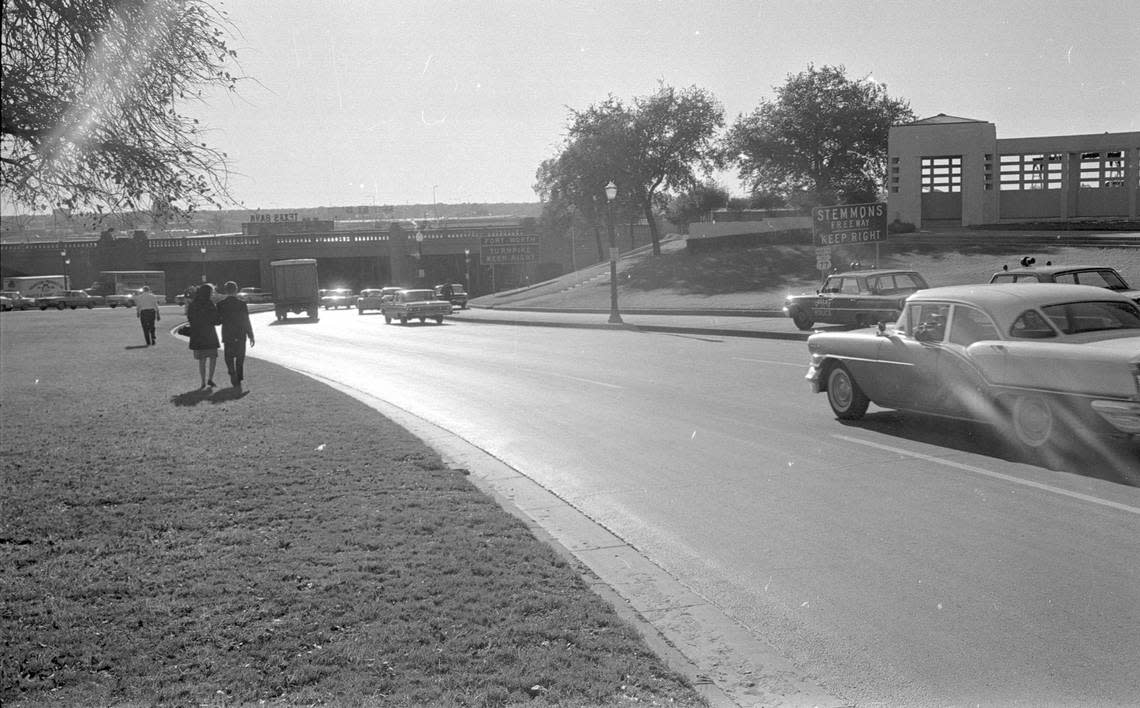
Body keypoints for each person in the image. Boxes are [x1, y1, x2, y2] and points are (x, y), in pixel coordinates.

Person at [216, 281, 255, 389]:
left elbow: (218, 321)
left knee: (228, 356)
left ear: (225, 290)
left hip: (228, 333)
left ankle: (231, 371)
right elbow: (246, 320)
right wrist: (250, 335)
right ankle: (239, 376)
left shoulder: (220, 305)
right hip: (240, 333)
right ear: (236, 290)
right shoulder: (242, 304)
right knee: (240, 356)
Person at [186, 283, 221, 388]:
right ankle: (210, 378)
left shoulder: (193, 304)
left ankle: (202, 381)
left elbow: (190, 319)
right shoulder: (209, 304)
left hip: (198, 334)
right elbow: (216, 320)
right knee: (213, 357)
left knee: (202, 359)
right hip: (209, 333)